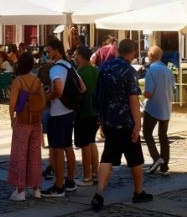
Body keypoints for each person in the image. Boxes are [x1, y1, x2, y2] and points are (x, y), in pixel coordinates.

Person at [92, 39, 152, 210]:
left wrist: (101, 119)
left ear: (118, 50)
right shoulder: (129, 71)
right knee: (136, 158)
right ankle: (139, 191)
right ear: (132, 53)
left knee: (108, 156)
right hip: (126, 121)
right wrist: (138, 123)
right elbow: (133, 99)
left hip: (109, 120)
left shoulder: (105, 67)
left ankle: (99, 193)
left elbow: (99, 95)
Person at [42, 38, 84, 198]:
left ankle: (59, 186)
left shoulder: (56, 69)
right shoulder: (69, 65)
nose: (47, 54)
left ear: (56, 50)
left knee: (58, 150)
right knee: (67, 146)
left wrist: (47, 96)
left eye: (48, 51)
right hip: (69, 111)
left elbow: (58, 90)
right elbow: (82, 87)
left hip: (58, 113)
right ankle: (70, 181)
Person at [7, 52, 45, 201]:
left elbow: (12, 104)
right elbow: (42, 101)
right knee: (35, 155)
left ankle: (20, 190)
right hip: (36, 120)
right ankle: (36, 189)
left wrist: (12, 119)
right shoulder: (37, 81)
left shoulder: (18, 81)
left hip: (22, 120)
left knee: (20, 155)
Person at [142, 46, 174, 177]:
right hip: (166, 107)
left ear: (150, 56)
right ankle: (164, 166)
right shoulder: (168, 70)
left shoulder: (151, 70)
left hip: (153, 107)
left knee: (147, 133)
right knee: (163, 136)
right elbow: (173, 88)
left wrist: (142, 93)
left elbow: (148, 93)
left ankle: (156, 158)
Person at [73, 45, 99, 186]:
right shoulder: (96, 70)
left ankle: (87, 177)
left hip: (83, 111)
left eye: (76, 54)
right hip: (95, 111)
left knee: (84, 145)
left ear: (81, 56)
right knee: (92, 142)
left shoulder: (80, 71)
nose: (75, 57)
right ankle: (95, 173)